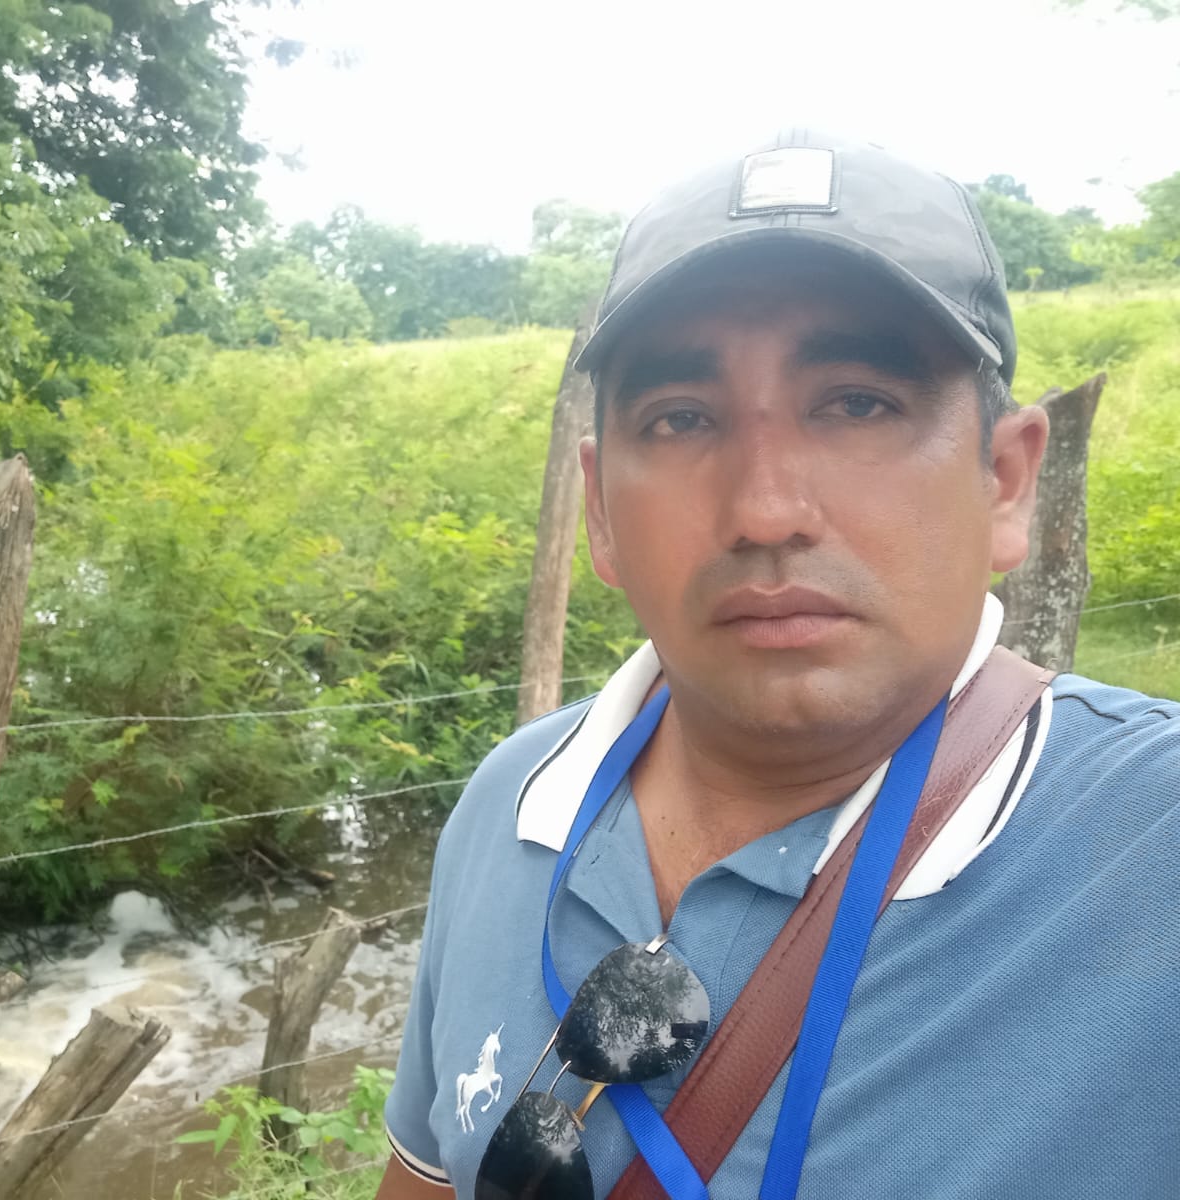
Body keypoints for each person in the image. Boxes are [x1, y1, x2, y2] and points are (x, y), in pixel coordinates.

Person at [374, 132, 1180, 1200]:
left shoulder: (1151, 849)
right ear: (600, 511)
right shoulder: (508, 804)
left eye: (857, 403)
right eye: (681, 418)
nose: (764, 511)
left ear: (1004, 481)